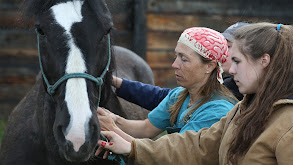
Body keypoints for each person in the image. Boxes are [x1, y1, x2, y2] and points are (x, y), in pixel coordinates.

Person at [96, 22, 293, 164]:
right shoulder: (243, 109)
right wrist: (125, 138)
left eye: (238, 61)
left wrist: (117, 131)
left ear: (264, 61)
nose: (231, 71)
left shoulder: (285, 125)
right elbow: (195, 147)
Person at [97, 27, 238, 145]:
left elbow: (175, 154)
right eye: (176, 56)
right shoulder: (179, 96)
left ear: (210, 66)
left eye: (184, 59)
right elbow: (146, 128)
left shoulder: (217, 111)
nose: (175, 65)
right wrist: (115, 120)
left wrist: (114, 130)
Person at [111, 22, 247, 112]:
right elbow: (170, 99)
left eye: (227, 46)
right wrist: (118, 83)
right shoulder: (225, 84)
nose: (221, 52)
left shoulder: (232, 98)